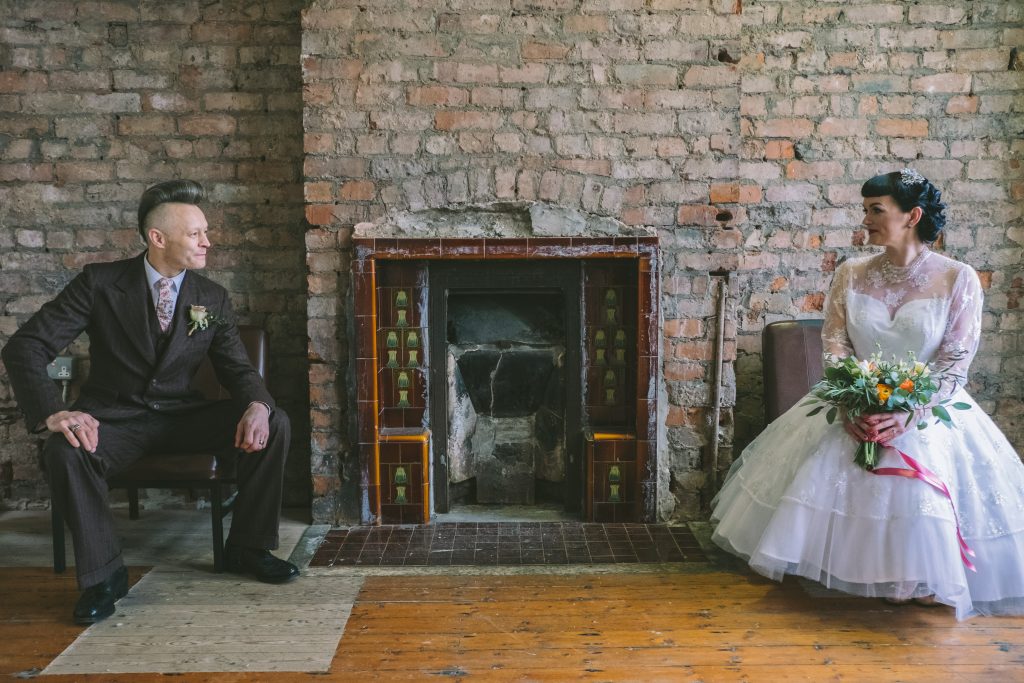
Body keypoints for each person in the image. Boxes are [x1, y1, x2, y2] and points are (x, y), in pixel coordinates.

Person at [711, 169, 1024, 620]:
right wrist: (850, 404)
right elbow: (835, 346)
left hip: (928, 410)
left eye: (876, 210)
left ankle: (921, 575)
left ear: (912, 215)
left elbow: (955, 363)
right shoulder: (851, 273)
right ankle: (856, 568)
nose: (865, 220)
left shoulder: (959, 279)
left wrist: (907, 415)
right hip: (856, 402)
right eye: (866, 210)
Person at [1, 179, 298, 625]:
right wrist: (54, 412)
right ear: (158, 238)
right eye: (196, 233)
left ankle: (249, 547)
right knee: (64, 450)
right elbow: (25, 347)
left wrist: (258, 403)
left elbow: (237, 369)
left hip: (184, 416)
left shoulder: (210, 297)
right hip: (114, 421)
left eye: (205, 231)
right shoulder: (99, 283)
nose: (207, 241)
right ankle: (104, 576)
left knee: (275, 421)